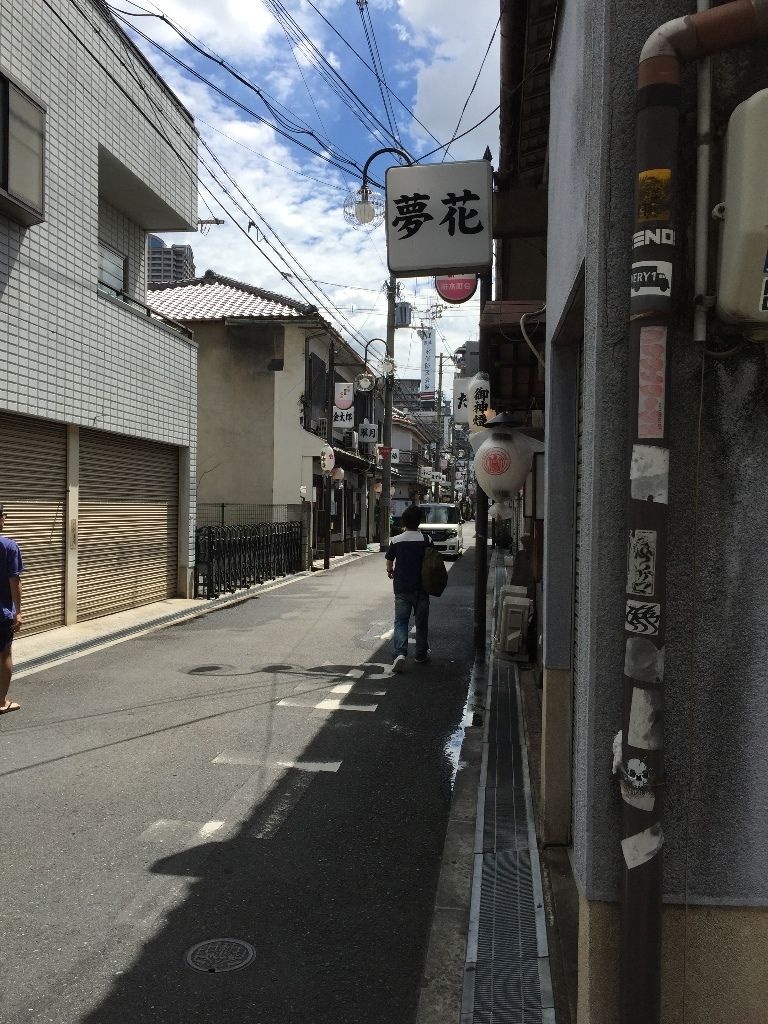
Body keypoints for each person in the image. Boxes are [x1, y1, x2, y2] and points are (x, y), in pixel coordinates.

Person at [385, 504, 432, 672]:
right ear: (419, 521)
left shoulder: (397, 540)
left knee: (401, 621)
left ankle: (400, 653)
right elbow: (432, 562)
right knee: (421, 622)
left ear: (404, 522)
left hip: (402, 587)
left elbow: (389, 561)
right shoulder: (426, 540)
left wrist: (390, 571)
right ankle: (420, 654)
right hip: (422, 588)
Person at [0, 504, 23, 715]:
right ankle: (0, 702)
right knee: (4, 653)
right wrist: (18, 611)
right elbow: (14, 581)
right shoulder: (8, 546)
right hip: (1, 614)